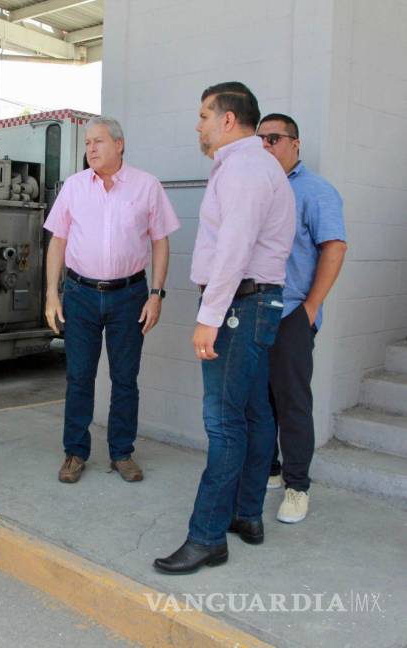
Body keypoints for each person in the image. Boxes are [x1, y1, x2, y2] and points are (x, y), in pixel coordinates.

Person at [154, 82, 295, 575]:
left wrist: (208, 318)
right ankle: (246, 514)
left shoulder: (245, 168)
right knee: (254, 413)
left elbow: (234, 249)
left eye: (203, 115)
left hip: (240, 306)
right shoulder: (251, 166)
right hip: (253, 304)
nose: (198, 125)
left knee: (224, 423)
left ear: (229, 120)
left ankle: (207, 536)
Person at [44, 116, 180, 484]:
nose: (90, 148)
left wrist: (156, 293)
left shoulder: (146, 186)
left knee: (125, 378)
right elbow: (57, 240)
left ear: (119, 144)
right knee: (79, 376)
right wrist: (50, 294)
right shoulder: (74, 187)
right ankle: (75, 452)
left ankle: (122, 452)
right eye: (87, 142)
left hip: (129, 295)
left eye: (98, 141)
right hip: (80, 294)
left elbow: (161, 240)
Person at [256, 113, 347, 523]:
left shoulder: (315, 190)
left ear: (295, 143)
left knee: (292, 402)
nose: (265, 146)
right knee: (260, 399)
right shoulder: (257, 188)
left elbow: (334, 248)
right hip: (254, 310)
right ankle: (271, 470)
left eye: (273, 138)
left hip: (292, 311)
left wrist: (310, 309)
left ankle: (297, 487)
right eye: (259, 139)